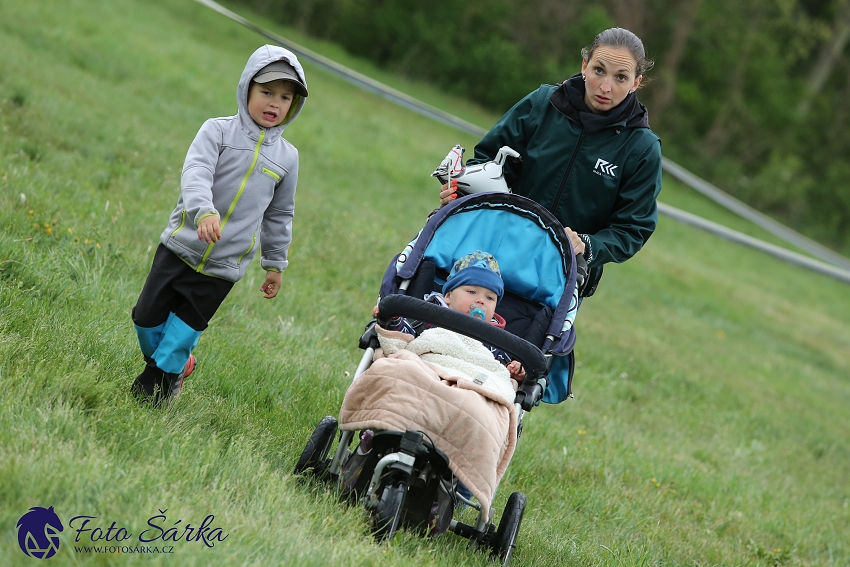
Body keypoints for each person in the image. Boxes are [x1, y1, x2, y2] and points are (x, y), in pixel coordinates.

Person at [130, 44, 308, 405]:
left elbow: (280, 213)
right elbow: (195, 172)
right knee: (146, 319)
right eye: (267, 92)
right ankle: (178, 364)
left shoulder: (288, 158)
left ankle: (156, 388)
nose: (275, 103)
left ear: (294, 105)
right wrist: (204, 211)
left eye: (285, 97)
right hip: (181, 246)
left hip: (223, 266)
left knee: (181, 334)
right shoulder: (217, 131)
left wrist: (275, 264)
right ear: (247, 89)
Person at [439, 28, 662, 295]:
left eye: (621, 78)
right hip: (491, 249)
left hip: (560, 273)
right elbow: (489, 160)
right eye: (599, 70)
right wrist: (462, 190)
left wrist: (587, 245)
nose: (605, 87)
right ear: (584, 65)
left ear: (635, 83)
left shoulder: (643, 148)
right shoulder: (542, 104)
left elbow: (633, 227)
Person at [373, 250, 526, 382]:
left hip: (470, 384)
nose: (481, 301)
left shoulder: (496, 339)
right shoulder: (428, 316)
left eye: (490, 298)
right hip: (424, 370)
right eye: (472, 292)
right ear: (448, 296)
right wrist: (393, 319)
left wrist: (513, 370)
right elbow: (404, 336)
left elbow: (497, 370)